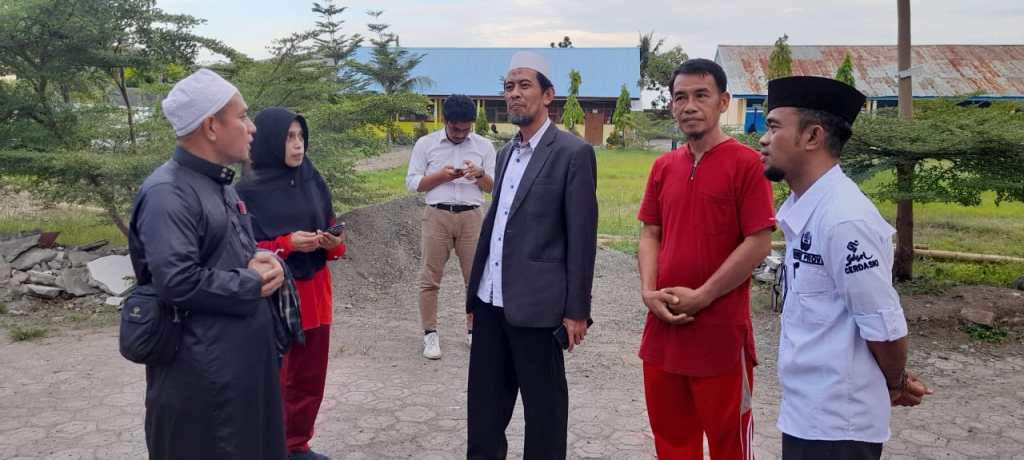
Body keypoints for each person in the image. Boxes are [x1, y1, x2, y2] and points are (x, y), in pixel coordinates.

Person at [759, 76, 932, 460]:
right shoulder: (809, 209)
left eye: (773, 127)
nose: (763, 139)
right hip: (807, 414)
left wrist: (896, 382)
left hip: (839, 426)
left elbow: (884, 326)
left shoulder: (844, 219)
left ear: (812, 136)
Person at [128, 68, 287, 459]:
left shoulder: (221, 184)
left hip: (239, 365)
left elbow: (224, 258)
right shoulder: (168, 193)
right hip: (202, 377)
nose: (252, 127)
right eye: (242, 116)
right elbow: (177, 282)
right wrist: (251, 282)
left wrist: (264, 262)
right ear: (211, 126)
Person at [636, 58, 776, 459]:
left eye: (701, 95)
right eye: (680, 97)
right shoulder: (664, 166)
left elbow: (758, 242)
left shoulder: (747, 165)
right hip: (663, 332)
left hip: (721, 335)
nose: (689, 106)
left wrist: (703, 295)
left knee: (728, 443)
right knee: (672, 442)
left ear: (723, 101)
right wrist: (648, 291)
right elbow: (650, 232)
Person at [465, 50, 598, 459]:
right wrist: (474, 298)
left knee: (544, 415)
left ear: (548, 95)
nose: (515, 94)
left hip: (539, 308)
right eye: (509, 86)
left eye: (525, 85)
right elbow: (495, 226)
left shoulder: (573, 153)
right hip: (491, 303)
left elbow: (582, 236)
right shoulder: (505, 153)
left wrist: (577, 311)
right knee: (484, 412)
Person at [236, 107, 346, 460]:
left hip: (316, 290)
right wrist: (287, 243)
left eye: (301, 137)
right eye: (289, 137)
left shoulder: (312, 180)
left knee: (309, 376)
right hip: (276, 294)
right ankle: (269, 447)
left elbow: (336, 240)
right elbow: (240, 250)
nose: (298, 145)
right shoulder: (245, 192)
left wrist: (331, 242)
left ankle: (297, 445)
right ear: (270, 141)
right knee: (276, 378)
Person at [405, 94, 496, 359]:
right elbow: (412, 183)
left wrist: (479, 175)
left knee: (475, 279)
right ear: (445, 120)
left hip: (472, 217)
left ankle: (474, 331)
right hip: (437, 215)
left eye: (466, 129)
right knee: (429, 278)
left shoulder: (484, 146)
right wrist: (440, 177)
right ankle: (430, 334)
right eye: (456, 128)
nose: (460, 134)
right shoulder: (426, 144)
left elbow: (494, 187)